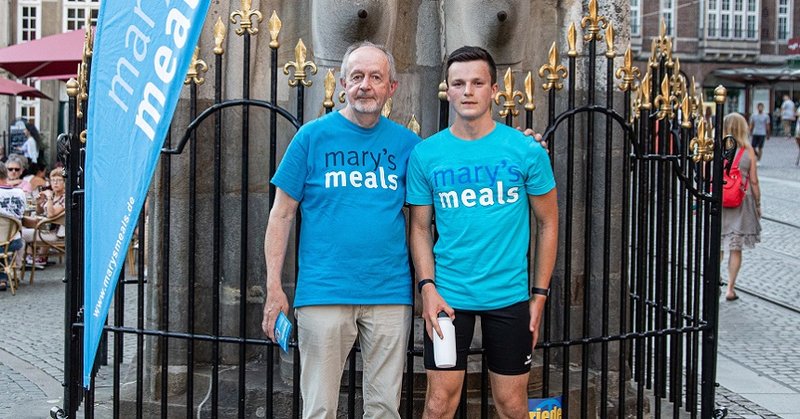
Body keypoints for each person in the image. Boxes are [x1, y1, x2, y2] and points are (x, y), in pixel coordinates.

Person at [260, 41, 419, 419]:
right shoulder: (311, 138)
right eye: (358, 76)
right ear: (343, 83)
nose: (366, 85)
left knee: (384, 409)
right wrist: (273, 287)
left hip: (390, 293)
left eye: (376, 77)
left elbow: (421, 222)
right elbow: (281, 214)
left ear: (390, 88)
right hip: (323, 293)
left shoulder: (409, 145)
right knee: (319, 408)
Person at [406, 46, 559, 418]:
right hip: (448, 299)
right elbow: (420, 228)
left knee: (511, 404)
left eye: (477, 82)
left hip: (508, 296)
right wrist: (428, 288)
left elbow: (549, 222)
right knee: (439, 403)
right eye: (459, 83)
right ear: (448, 90)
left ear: (493, 89)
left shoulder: (525, 150)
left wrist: (538, 295)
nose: (468, 91)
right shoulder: (426, 154)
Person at [721, 113, 761, 301]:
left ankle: (713, 283)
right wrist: (758, 204)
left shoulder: (718, 148)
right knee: (735, 248)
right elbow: (753, 181)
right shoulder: (748, 150)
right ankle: (730, 288)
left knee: (717, 246)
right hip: (740, 203)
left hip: (720, 200)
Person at [22, 168, 66, 266]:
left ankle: (30, 257)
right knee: (20, 225)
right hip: (45, 228)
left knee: (20, 233)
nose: (55, 183)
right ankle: (35, 256)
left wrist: (49, 198)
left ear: (65, 182)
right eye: (53, 180)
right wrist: (38, 203)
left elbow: (51, 214)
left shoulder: (64, 198)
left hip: (54, 233)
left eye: (59, 180)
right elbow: (40, 211)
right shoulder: (54, 195)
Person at [0, 162, 28, 291]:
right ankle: (3, 278)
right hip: (13, 241)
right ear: (6, 174)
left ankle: (3, 278)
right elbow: (22, 215)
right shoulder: (20, 193)